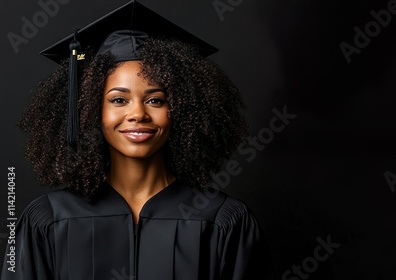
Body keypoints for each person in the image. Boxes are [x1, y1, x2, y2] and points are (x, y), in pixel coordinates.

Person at [1, 1, 277, 279]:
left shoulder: (222, 221)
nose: (138, 114)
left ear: (180, 109)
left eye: (155, 100)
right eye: (118, 100)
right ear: (91, 110)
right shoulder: (49, 219)